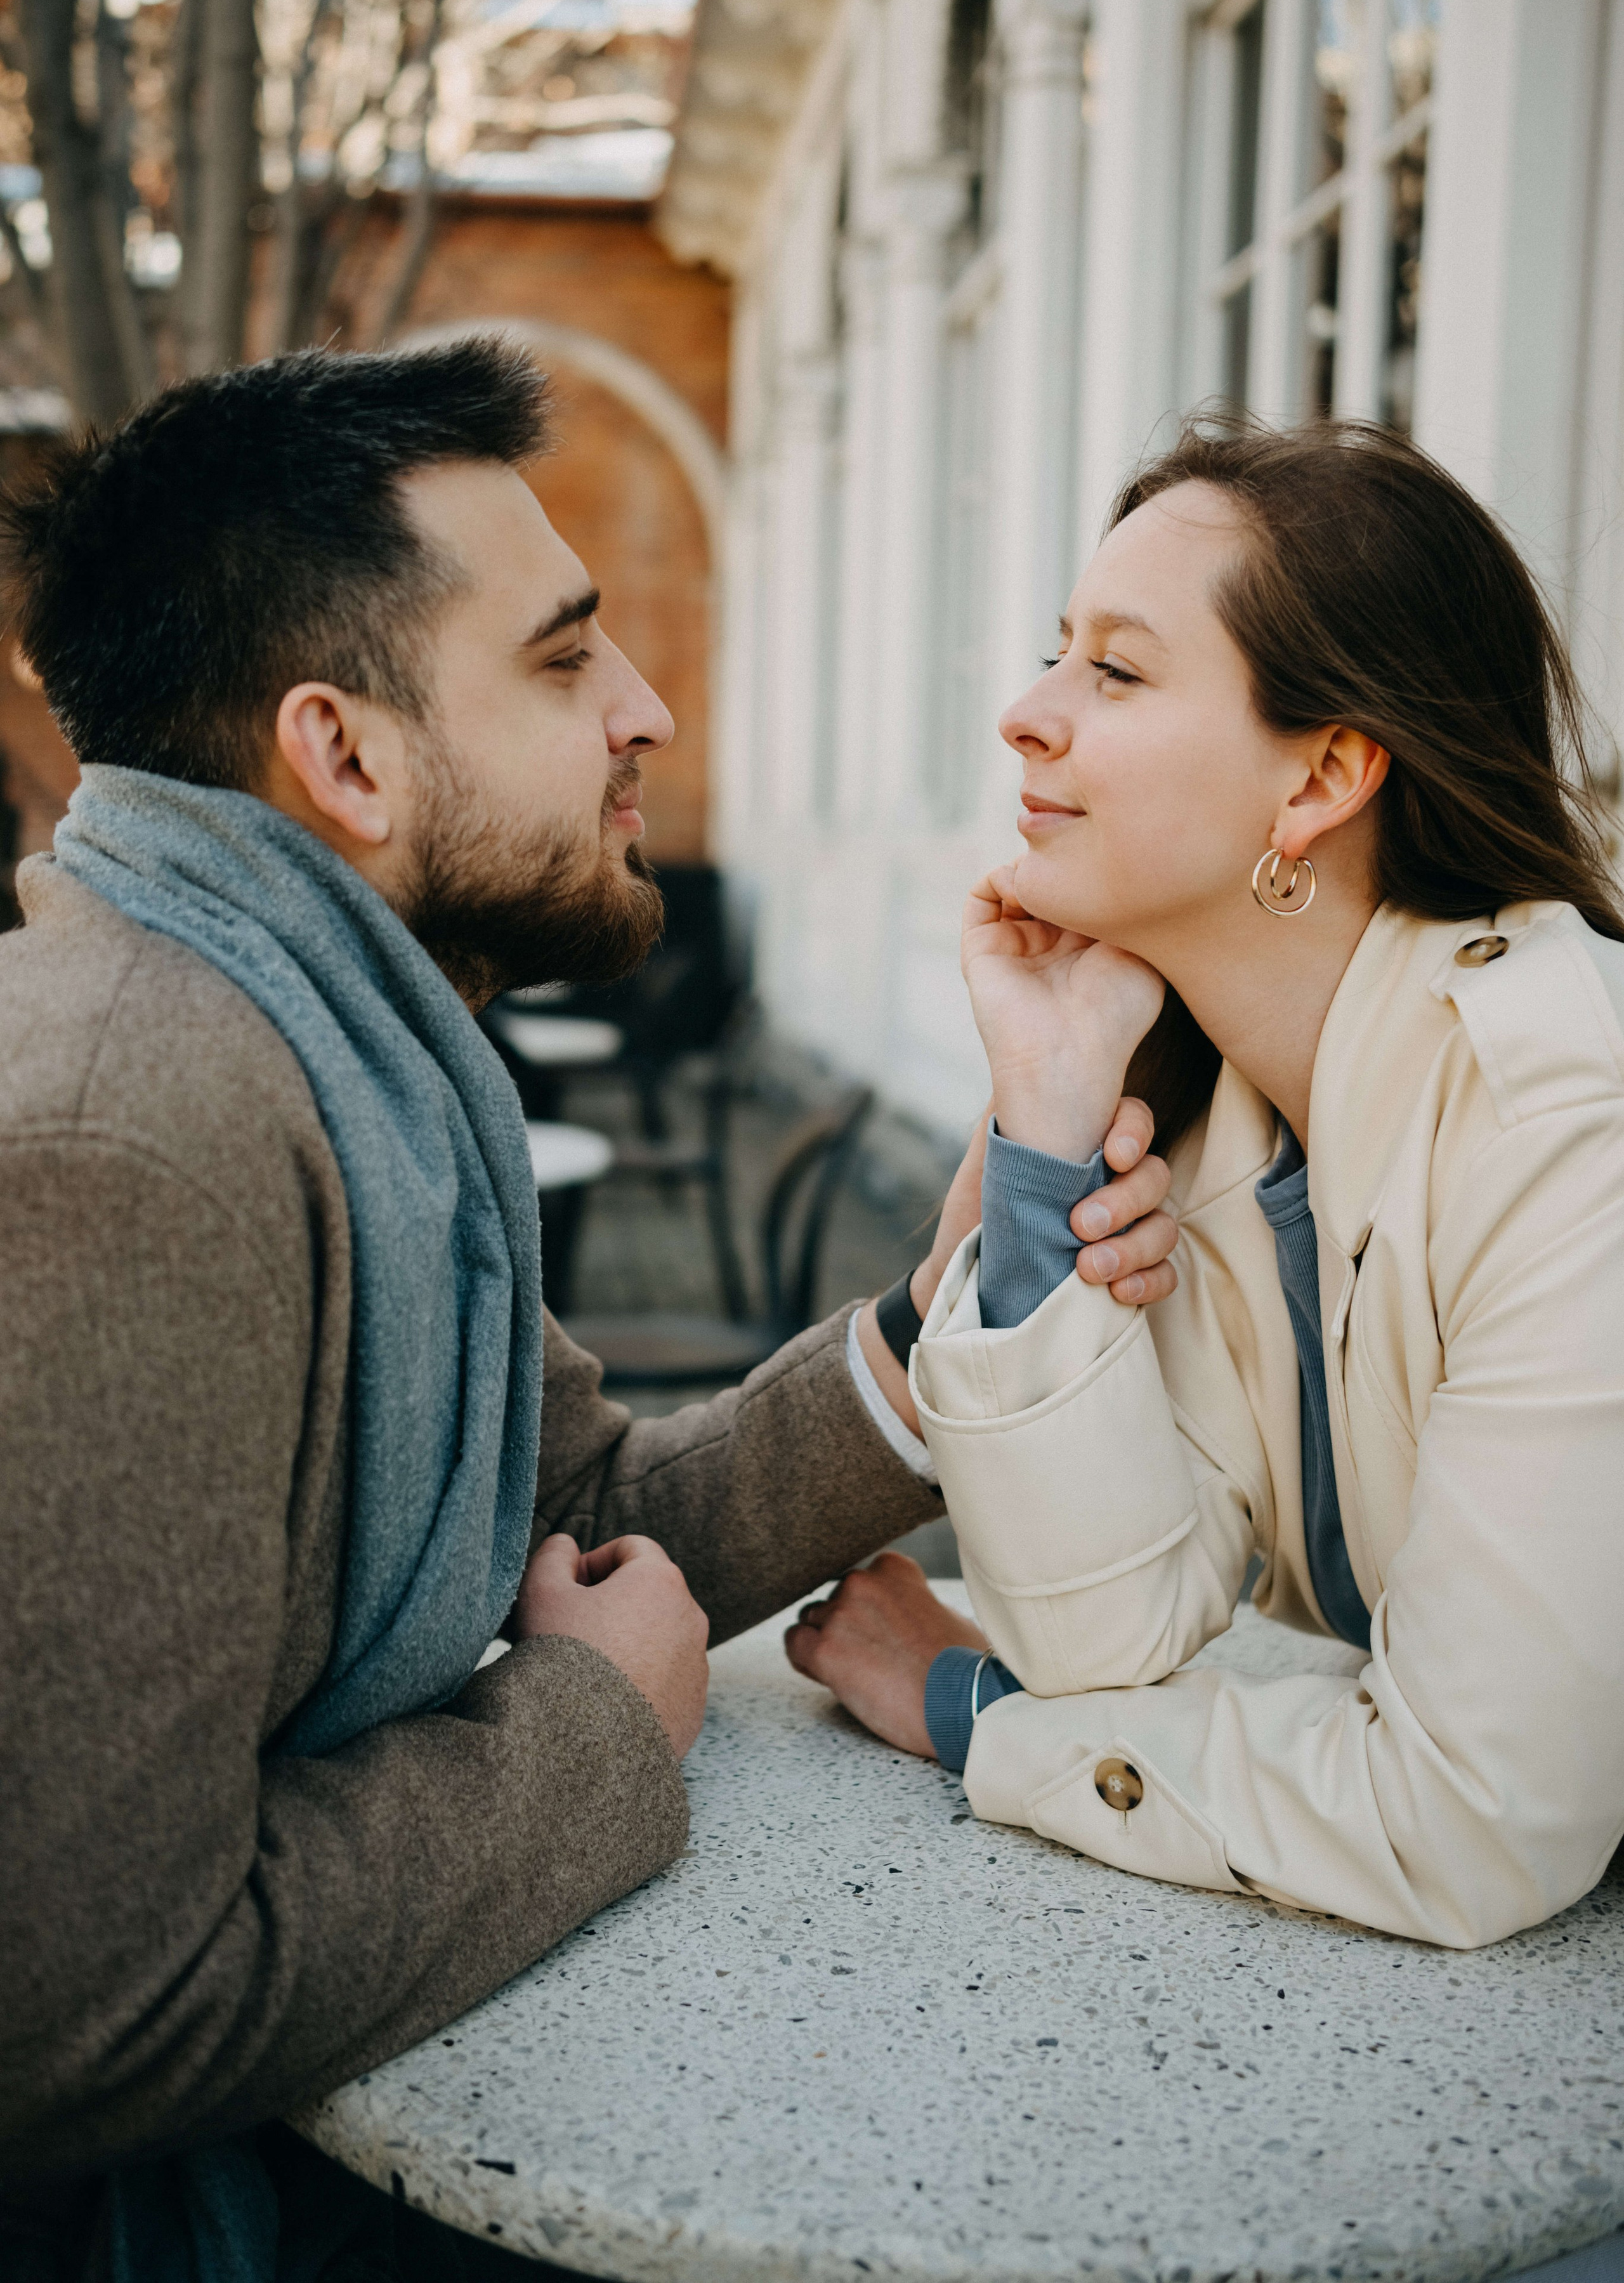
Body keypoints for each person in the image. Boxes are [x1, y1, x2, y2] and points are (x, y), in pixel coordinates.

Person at [0, 338, 1179, 2278]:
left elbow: (595, 1511)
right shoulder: (133, 1138)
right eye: (563, 658)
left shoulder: (345, 1060)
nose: (643, 707)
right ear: (347, 754)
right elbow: (82, 2005)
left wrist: (933, 1313)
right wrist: (588, 1737)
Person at [788, 415, 1624, 1953]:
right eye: (1058, 654)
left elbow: (1470, 1821)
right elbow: (1105, 1637)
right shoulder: (1210, 1105)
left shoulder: (1565, 1119)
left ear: (1319, 778)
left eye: (1113, 670)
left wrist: (965, 1710)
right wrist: (1042, 1115)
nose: (1026, 717)